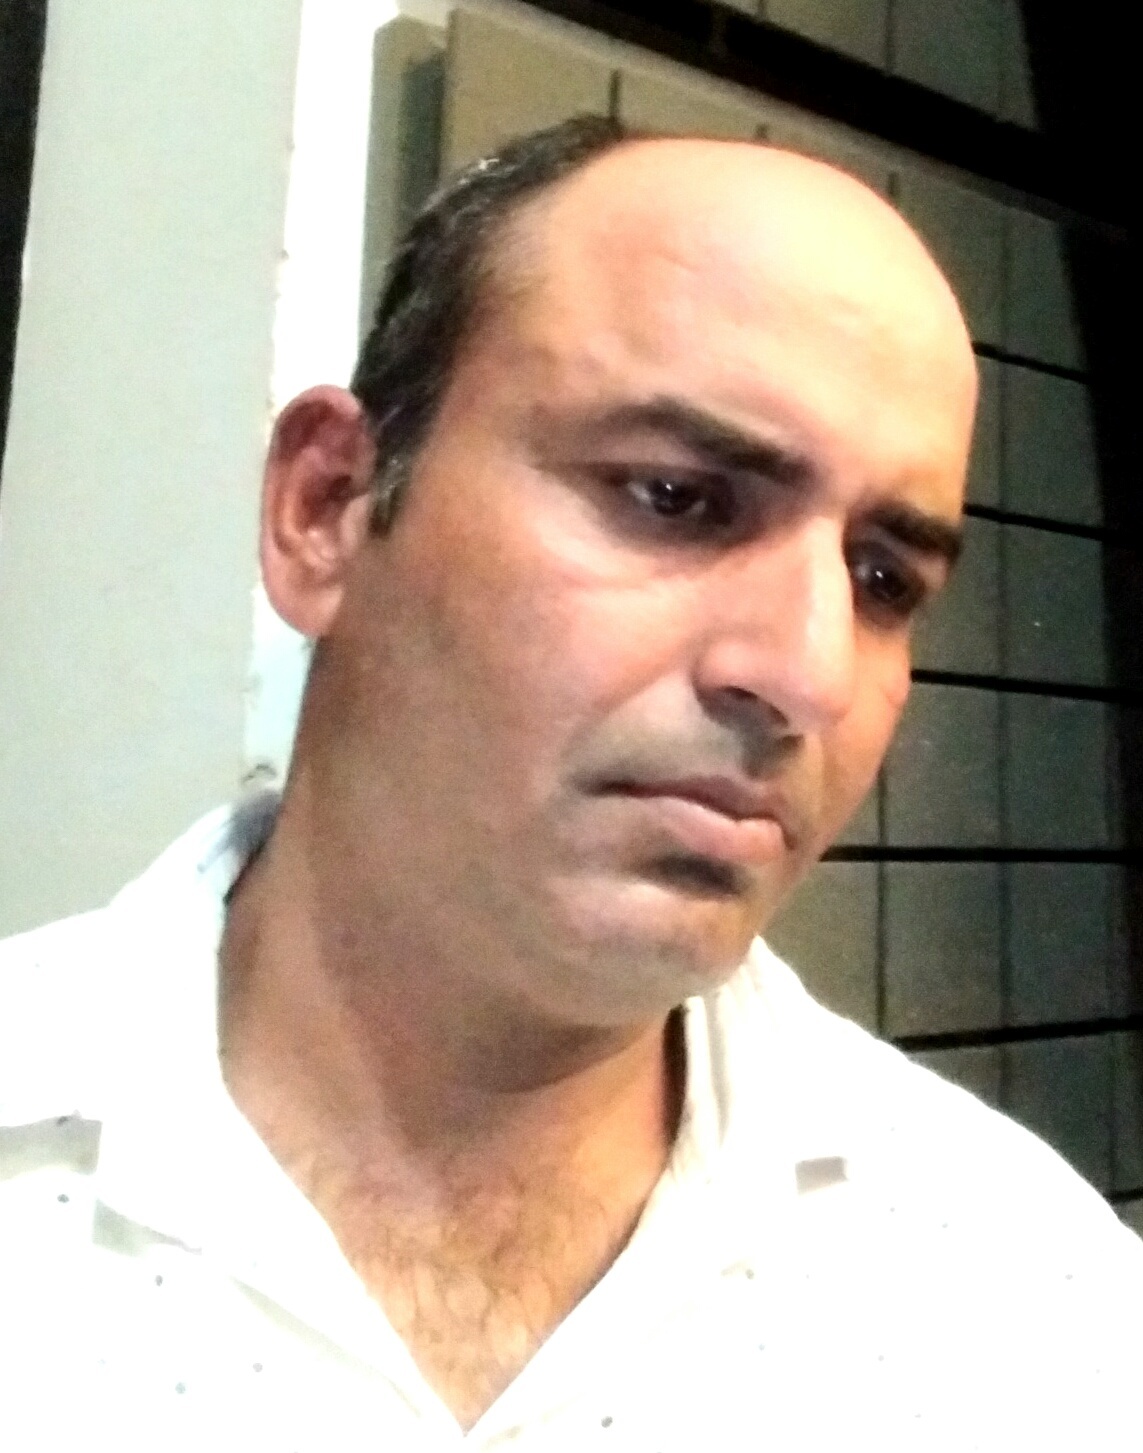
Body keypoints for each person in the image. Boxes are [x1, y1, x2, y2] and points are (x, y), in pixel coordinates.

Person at [1, 116, 1139, 1451]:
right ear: (329, 507)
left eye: (884, 579)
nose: (807, 671)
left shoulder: (1035, 1317)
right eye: (675, 496)